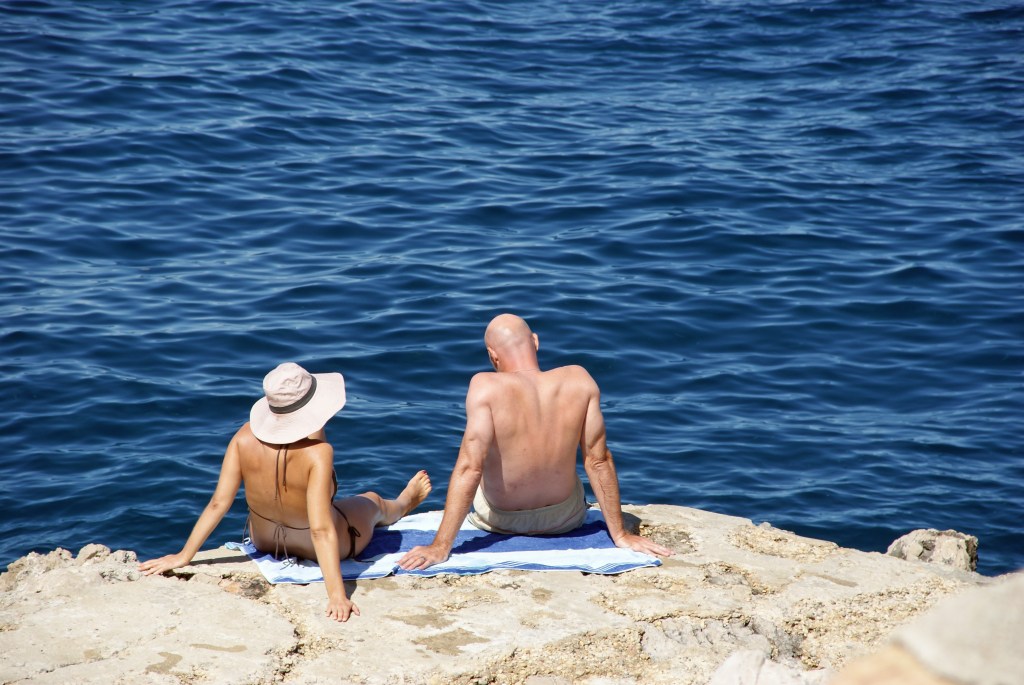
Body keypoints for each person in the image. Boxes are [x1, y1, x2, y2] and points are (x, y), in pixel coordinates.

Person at [140, 362, 431, 622]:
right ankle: (403, 503)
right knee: (371, 501)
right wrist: (336, 595)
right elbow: (320, 529)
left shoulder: (243, 436)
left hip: (263, 539)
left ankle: (394, 503)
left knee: (322, 496)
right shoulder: (320, 454)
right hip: (313, 545)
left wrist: (183, 555)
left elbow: (219, 503)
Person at [397, 314, 671, 571]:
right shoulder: (579, 379)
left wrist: (441, 545)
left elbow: (470, 468)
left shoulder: (485, 386)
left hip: (500, 520)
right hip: (564, 518)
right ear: (536, 342)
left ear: (493, 356)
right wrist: (620, 535)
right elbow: (598, 461)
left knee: (480, 462)